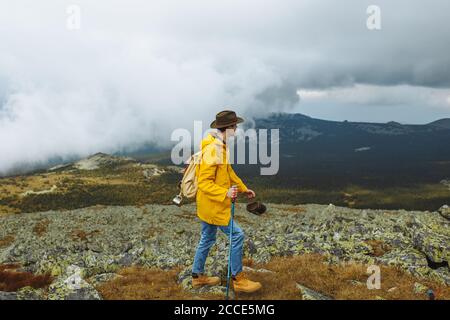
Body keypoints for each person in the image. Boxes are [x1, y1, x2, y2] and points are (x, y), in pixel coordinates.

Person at [191, 110, 262, 293]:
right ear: (228, 128)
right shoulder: (212, 150)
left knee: (207, 238)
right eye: (235, 126)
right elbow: (204, 183)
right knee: (237, 235)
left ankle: (197, 277)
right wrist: (225, 193)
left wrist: (243, 188)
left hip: (208, 205)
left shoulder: (221, 147)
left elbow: (228, 172)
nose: (237, 129)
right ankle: (238, 279)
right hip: (214, 206)